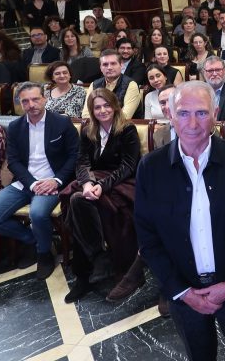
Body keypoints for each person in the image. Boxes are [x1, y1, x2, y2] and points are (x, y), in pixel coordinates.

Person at [135, 80, 225, 359]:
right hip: (184, 292)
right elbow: (148, 239)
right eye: (183, 113)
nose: (192, 123)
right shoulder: (151, 168)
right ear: (170, 115)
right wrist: (182, 292)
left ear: (216, 114)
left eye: (202, 113)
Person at [61, 89, 141, 302]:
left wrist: (101, 186)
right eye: (97, 107)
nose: (103, 110)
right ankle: (98, 258)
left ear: (115, 105)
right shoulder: (88, 129)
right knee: (81, 201)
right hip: (94, 182)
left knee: (79, 205)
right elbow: (82, 161)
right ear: (92, 110)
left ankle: (88, 273)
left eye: (107, 105)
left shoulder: (127, 129)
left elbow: (128, 166)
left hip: (122, 184)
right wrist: (87, 183)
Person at [0, 82, 79, 279]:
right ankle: (33, 240)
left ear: (45, 99)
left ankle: (43, 255)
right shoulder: (15, 127)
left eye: (35, 99)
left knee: (38, 214)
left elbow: (74, 156)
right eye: (25, 101)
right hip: (25, 182)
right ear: (20, 104)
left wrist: (56, 180)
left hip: (53, 181)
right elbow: (13, 161)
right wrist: (31, 183)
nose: (31, 104)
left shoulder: (62, 123)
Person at [82, 50, 141, 120]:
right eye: (105, 64)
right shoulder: (94, 84)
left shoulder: (131, 85)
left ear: (121, 65)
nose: (109, 67)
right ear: (100, 68)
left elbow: (125, 116)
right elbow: (86, 114)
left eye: (113, 63)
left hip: (124, 128)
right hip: (97, 128)